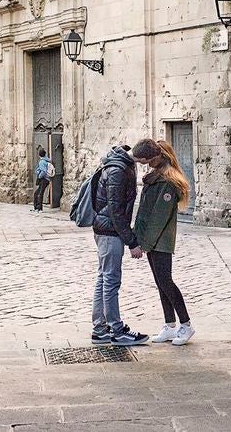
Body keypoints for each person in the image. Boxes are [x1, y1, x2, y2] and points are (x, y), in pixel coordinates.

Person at [132, 138, 194, 346]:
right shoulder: (156, 177)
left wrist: (144, 244)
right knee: (161, 283)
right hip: (152, 240)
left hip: (160, 241)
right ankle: (170, 324)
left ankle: (186, 324)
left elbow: (159, 217)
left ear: (158, 156)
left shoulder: (168, 181)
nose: (146, 164)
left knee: (166, 281)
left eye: (148, 160)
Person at [91, 144, 149, 346]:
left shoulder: (119, 164)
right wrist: (131, 241)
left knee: (104, 278)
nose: (146, 165)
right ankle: (116, 331)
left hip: (106, 230)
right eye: (147, 162)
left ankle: (99, 329)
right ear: (142, 158)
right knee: (110, 281)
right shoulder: (117, 170)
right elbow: (116, 212)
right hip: (110, 232)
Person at [33, 147, 50, 212]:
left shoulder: (42, 162)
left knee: (39, 193)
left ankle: (39, 208)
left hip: (44, 179)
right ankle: (37, 208)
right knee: (38, 193)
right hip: (47, 179)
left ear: (39, 155)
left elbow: (43, 171)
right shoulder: (47, 160)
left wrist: (39, 176)